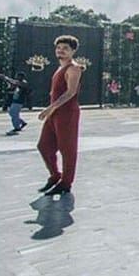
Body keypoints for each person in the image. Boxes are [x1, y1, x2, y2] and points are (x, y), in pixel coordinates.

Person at [37, 35, 84, 197]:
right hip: (55, 113)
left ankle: (66, 182)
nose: (61, 51)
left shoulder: (74, 68)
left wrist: (50, 108)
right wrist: (51, 110)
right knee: (43, 146)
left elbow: (70, 92)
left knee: (67, 148)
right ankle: (55, 175)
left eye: (65, 48)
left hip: (67, 112)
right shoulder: (59, 68)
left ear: (73, 51)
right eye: (59, 48)